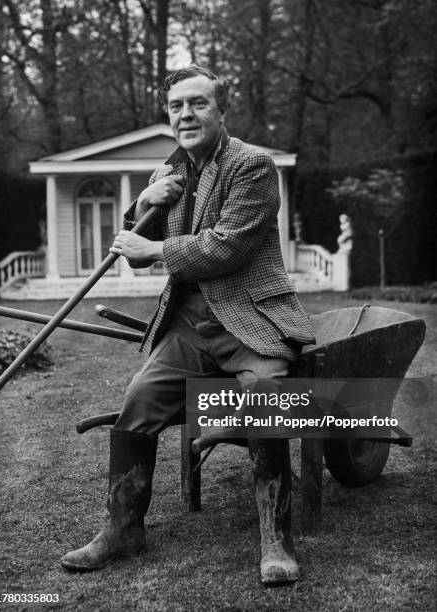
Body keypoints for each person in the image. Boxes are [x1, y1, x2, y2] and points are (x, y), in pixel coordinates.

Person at [61, 65, 315, 585]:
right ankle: (123, 529)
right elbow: (132, 252)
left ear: (221, 111)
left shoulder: (253, 166)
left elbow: (226, 246)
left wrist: (152, 247)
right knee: (137, 400)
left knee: (267, 398)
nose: (185, 115)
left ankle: (276, 543)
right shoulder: (167, 173)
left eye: (198, 104)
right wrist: (141, 207)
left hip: (250, 317)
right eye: (176, 106)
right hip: (189, 323)